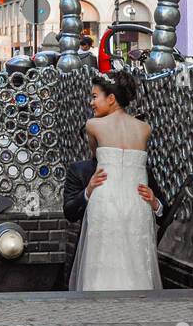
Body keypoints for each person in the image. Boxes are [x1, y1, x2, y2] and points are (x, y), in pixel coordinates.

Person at [68, 72, 161, 291]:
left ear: (111, 99)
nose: (91, 102)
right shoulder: (144, 129)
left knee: (101, 262)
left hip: (105, 198)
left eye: (94, 96)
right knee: (136, 260)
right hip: (136, 201)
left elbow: (96, 155)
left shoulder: (92, 125)